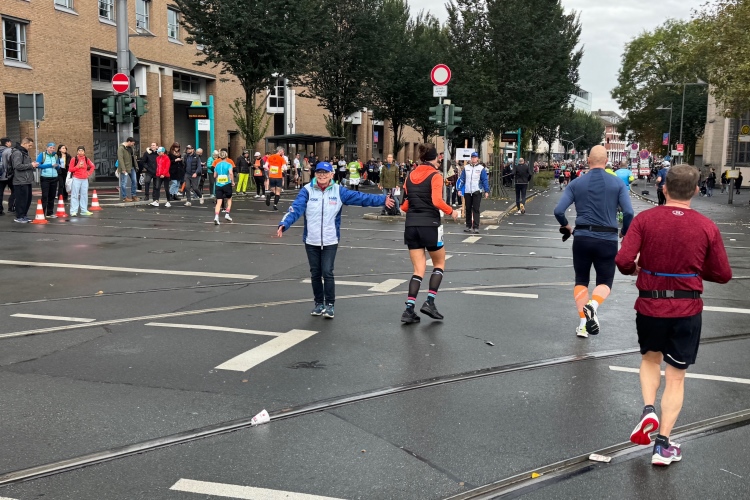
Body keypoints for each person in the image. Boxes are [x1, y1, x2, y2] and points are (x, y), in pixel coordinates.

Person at [615, 164, 731, 466]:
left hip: (650, 306)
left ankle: (648, 409)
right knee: (676, 376)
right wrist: (695, 271)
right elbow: (723, 274)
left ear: (663, 188)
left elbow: (624, 260)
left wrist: (635, 268)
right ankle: (663, 445)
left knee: (650, 359)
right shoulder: (707, 226)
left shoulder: (645, 220)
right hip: (687, 309)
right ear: (696, 190)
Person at [277, 161, 393, 319]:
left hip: (331, 239)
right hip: (311, 240)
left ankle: (330, 305)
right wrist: (284, 224)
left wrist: (382, 199)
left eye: (325, 173)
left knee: (327, 271)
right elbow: (295, 209)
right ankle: (319, 303)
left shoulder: (339, 191)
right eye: (319, 173)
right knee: (315, 273)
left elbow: (361, 198)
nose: (322, 175)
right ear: (315, 174)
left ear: (331, 174)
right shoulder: (307, 190)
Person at [554, 145, 634, 338]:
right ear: (606, 161)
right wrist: (624, 231)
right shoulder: (617, 184)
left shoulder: (576, 183)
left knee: (581, 280)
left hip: (582, 238)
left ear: (588, 161)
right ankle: (594, 305)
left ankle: (583, 324)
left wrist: (566, 225)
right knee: (605, 282)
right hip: (607, 239)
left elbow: (558, 211)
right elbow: (629, 212)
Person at [399, 143, 458, 324]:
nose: (440, 162)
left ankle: (409, 309)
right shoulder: (435, 175)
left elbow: (404, 206)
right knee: (439, 263)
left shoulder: (410, 175)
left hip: (411, 226)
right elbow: (437, 201)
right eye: (438, 159)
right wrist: (452, 212)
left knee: (418, 270)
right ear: (434, 159)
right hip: (430, 225)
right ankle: (430, 302)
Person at [457, 152, 489, 232]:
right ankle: (468, 226)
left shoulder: (481, 168)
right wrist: (459, 189)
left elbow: (484, 180)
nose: (474, 158)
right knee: (468, 209)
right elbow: (462, 179)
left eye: (475, 157)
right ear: (471, 158)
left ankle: (476, 226)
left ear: (477, 158)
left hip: (477, 191)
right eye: (472, 157)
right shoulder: (466, 168)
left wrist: (486, 191)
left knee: (476, 209)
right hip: (468, 191)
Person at [11, 138, 38, 223]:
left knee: (27, 199)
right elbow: (17, 166)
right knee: (21, 200)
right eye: (29, 145)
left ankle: (23, 215)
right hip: (20, 180)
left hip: (26, 180)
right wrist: (31, 165)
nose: (30, 147)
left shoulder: (24, 152)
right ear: (24, 143)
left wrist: (32, 165)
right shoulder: (18, 153)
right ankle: (19, 216)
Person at [68, 146, 96, 217]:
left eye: (82, 151)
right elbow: (70, 169)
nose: (80, 152)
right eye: (79, 150)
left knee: (84, 195)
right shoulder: (74, 159)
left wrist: (89, 173)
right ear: (77, 152)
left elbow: (93, 166)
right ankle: (73, 211)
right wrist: (78, 167)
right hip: (76, 178)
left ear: (84, 152)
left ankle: (84, 210)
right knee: (74, 195)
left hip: (84, 179)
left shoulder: (86, 159)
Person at [37, 142, 60, 217]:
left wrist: (57, 166)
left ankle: (50, 213)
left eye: (53, 148)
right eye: (50, 147)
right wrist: (50, 165)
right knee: (45, 196)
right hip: (45, 178)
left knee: (52, 196)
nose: (52, 149)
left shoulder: (56, 156)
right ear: (47, 148)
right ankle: (42, 213)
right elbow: (38, 165)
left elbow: (58, 166)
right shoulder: (42, 155)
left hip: (54, 177)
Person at [213, 148, 235, 225]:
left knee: (219, 201)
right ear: (226, 156)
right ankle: (227, 214)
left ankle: (216, 216)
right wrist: (232, 182)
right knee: (229, 198)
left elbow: (214, 176)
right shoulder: (229, 165)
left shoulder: (217, 165)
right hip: (226, 184)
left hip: (218, 184)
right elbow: (231, 173)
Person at [117, 137, 138, 202]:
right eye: (132, 143)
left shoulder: (131, 148)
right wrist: (123, 168)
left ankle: (133, 195)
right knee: (124, 183)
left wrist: (136, 165)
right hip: (125, 168)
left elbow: (133, 157)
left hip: (132, 167)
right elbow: (120, 159)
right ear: (129, 142)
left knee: (134, 181)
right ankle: (125, 197)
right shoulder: (121, 148)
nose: (133, 144)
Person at [0, 137, 14, 216]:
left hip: (0, 176)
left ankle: (0, 210)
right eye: (10, 142)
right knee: (14, 190)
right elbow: (12, 162)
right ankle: (11, 207)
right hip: (8, 175)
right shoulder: (9, 150)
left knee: (0, 193)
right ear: (7, 143)